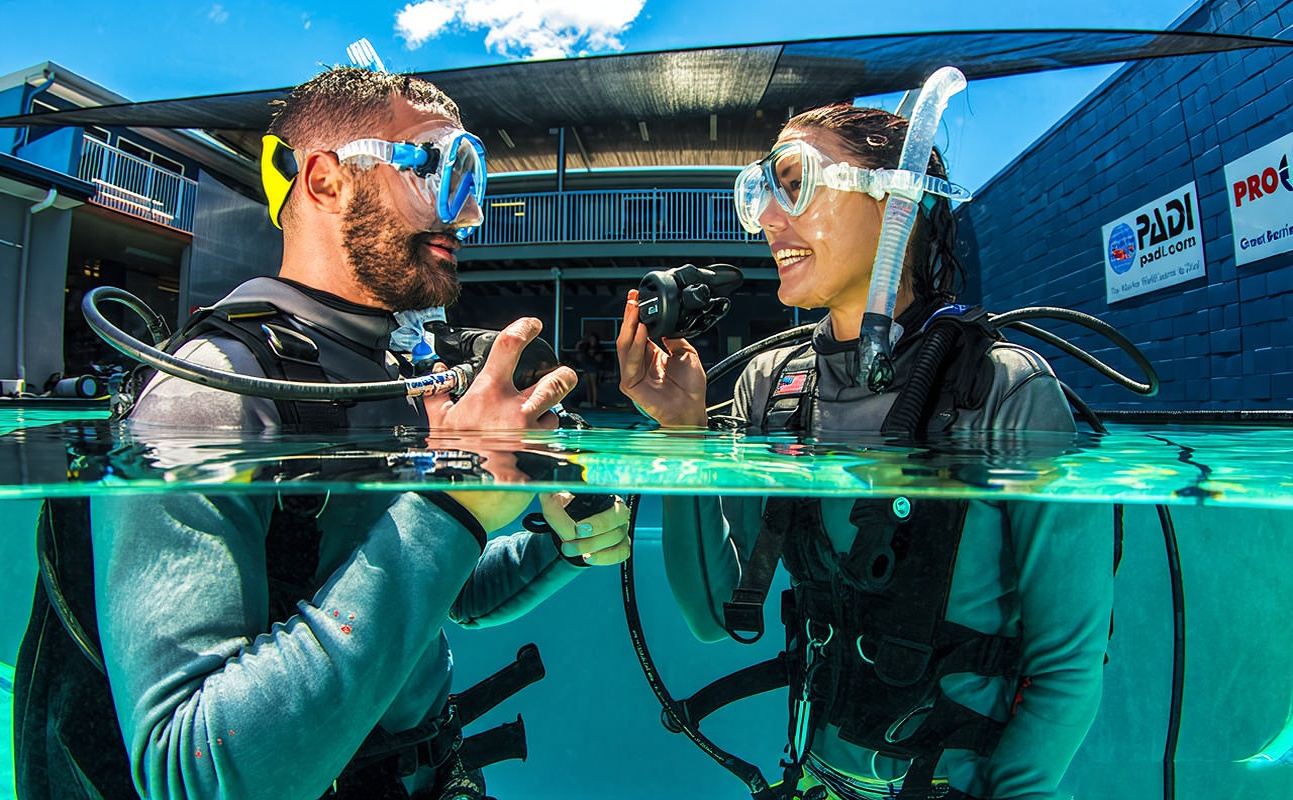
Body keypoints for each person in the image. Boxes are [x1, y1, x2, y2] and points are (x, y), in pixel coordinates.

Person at [15, 68, 629, 800]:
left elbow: (442, 591)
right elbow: (192, 771)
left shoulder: (396, 376)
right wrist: (457, 506)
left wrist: (557, 545)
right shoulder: (210, 394)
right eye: (435, 168)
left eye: (472, 181)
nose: (467, 215)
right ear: (326, 181)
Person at [616, 103, 1113, 799]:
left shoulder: (1004, 388)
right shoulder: (770, 387)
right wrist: (683, 434)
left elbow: (1066, 663)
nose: (766, 219)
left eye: (795, 184)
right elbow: (712, 615)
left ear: (895, 200)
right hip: (814, 781)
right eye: (759, 194)